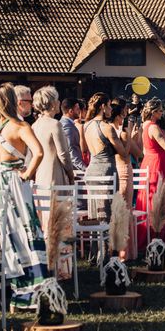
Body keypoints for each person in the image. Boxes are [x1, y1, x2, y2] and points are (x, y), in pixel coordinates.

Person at [0, 82, 48, 309]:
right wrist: (28, 173)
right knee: (23, 231)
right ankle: (29, 291)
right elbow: (39, 152)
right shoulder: (20, 126)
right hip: (15, 184)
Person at [135, 98, 165, 250]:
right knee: (158, 199)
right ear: (153, 112)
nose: (162, 113)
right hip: (157, 165)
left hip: (149, 160)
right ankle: (157, 235)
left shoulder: (144, 125)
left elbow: (143, 149)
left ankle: (149, 235)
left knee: (150, 199)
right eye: (160, 110)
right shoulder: (153, 127)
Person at [32, 86, 75, 228]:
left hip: (40, 175)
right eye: (56, 100)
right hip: (55, 174)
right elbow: (64, 154)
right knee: (57, 217)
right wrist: (71, 174)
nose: (59, 102)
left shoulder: (35, 125)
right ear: (52, 103)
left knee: (44, 215)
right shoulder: (55, 124)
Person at [83, 92, 130, 222]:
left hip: (91, 171)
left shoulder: (85, 125)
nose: (111, 109)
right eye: (109, 106)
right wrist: (129, 136)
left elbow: (84, 149)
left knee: (95, 213)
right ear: (103, 107)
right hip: (106, 172)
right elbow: (124, 153)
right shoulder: (107, 127)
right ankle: (107, 241)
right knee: (108, 213)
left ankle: (95, 242)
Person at [110, 97, 142, 259]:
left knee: (115, 211)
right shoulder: (122, 133)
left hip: (113, 170)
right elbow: (135, 152)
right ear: (120, 114)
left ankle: (114, 249)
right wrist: (131, 133)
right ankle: (125, 252)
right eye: (125, 112)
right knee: (125, 210)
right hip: (124, 171)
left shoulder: (106, 130)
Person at [60, 98, 87, 172]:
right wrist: (84, 169)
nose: (79, 111)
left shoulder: (67, 124)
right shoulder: (67, 126)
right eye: (77, 109)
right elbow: (71, 149)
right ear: (71, 111)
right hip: (74, 169)